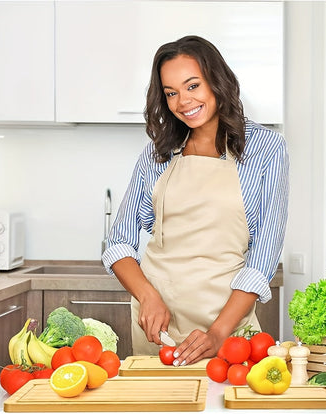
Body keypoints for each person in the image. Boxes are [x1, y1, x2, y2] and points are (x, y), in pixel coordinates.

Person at [102, 35, 289, 366]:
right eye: (171, 92)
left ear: (218, 81)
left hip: (227, 326)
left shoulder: (265, 148)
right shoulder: (158, 154)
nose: (182, 101)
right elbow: (119, 243)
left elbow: (262, 259)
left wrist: (218, 334)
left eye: (192, 86)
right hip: (157, 329)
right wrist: (147, 297)